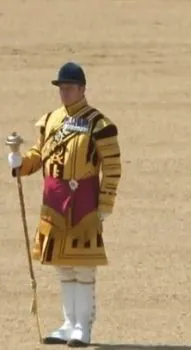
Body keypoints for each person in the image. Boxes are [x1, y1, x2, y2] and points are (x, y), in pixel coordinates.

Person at [5, 62, 122, 346]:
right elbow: (38, 154)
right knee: (62, 267)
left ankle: (83, 325)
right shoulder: (49, 120)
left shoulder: (99, 124)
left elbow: (113, 167)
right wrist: (20, 163)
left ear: (82, 89)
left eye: (70, 88)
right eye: (62, 88)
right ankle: (69, 324)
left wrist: (105, 203)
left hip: (83, 202)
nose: (65, 93)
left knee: (83, 267)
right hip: (54, 201)